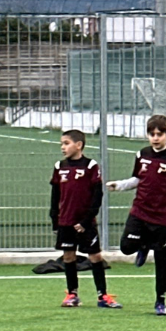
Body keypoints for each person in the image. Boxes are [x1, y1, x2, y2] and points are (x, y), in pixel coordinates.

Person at [106, 114, 166, 315]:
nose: (155, 138)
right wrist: (119, 186)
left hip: (163, 217)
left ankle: (160, 301)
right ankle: (144, 246)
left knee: (162, 260)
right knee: (126, 247)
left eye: (160, 134)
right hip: (140, 211)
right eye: (152, 134)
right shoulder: (142, 155)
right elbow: (137, 179)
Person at [51, 129, 121, 309]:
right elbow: (55, 194)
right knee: (68, 256)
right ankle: (72, 294)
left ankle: (102, 296)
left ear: (79, 145)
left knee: (95, 256)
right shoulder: (60, 167)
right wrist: (54, 218)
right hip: (66, 221)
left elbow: (97, 195)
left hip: (85, 222)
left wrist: (85, 220)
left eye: (66, 143)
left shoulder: (90, 166)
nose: (62, 147)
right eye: (62, 144)